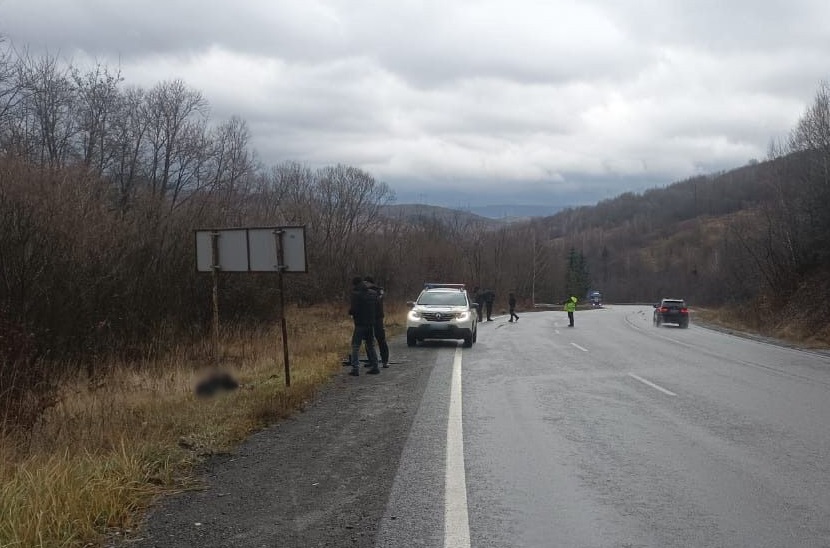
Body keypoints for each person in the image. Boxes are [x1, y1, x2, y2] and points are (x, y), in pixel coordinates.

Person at [348, 277, 380, 375]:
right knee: (370, 345)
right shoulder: (373, 294)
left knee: (355, 346)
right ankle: (375, 367)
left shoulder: (356, 295)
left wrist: (350, 312)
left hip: (360, 324)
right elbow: (377, 308)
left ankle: (355, 369)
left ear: (355, 284)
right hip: (370, 324)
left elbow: (353, 309)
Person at [364, 276, 389, 368]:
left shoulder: (378, 291)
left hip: (378, 318)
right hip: (368, 319)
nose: (365, 284)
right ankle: (371, 360)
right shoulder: (365, 291)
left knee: (381, 339)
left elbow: (379, 300)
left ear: (370, 282)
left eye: (366, 282)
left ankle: (385, 361)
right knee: (368, 340)